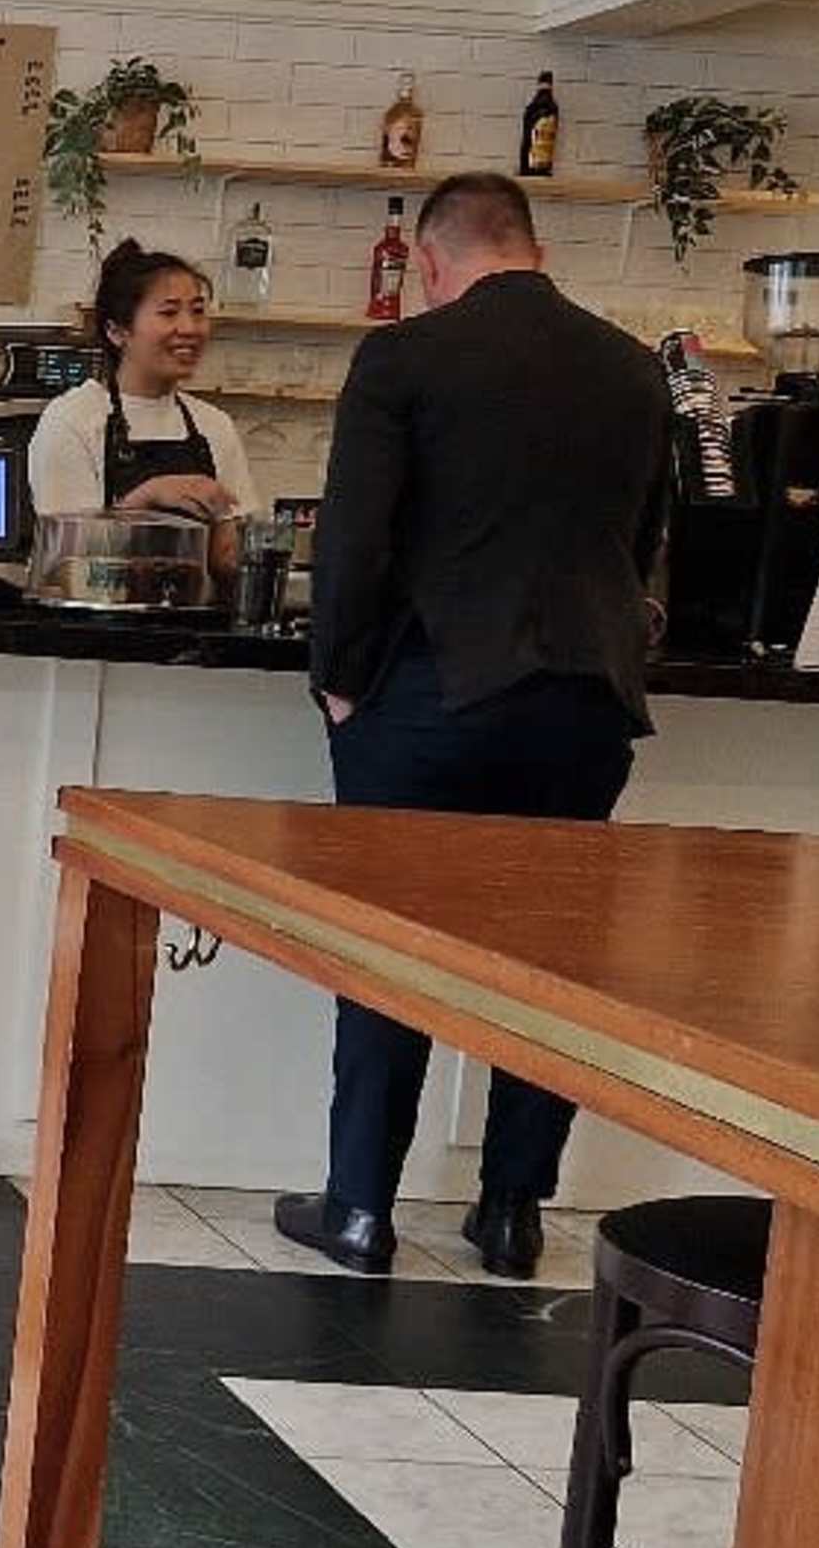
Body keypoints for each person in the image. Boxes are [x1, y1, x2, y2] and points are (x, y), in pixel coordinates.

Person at [273, 172, 670, 1279]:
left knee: (389, 947)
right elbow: (645, 542)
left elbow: (351, 540)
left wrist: (340, 680)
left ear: (438, 261)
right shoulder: (634, 369)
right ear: (529, 244)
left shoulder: (405, 358)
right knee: (547, 964)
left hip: (434, 694)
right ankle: (511, 1213)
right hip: (586, 701)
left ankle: (360, 1208)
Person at [26, 239, 259, 556]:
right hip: (102, 604)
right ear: (116, 331)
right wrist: (146, 499)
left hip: (196, 604)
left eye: (198, 311)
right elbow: (65, 555)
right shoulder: (73, 419)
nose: (189, 328)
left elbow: (231, 552)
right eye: (169, 312)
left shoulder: (214, 425)